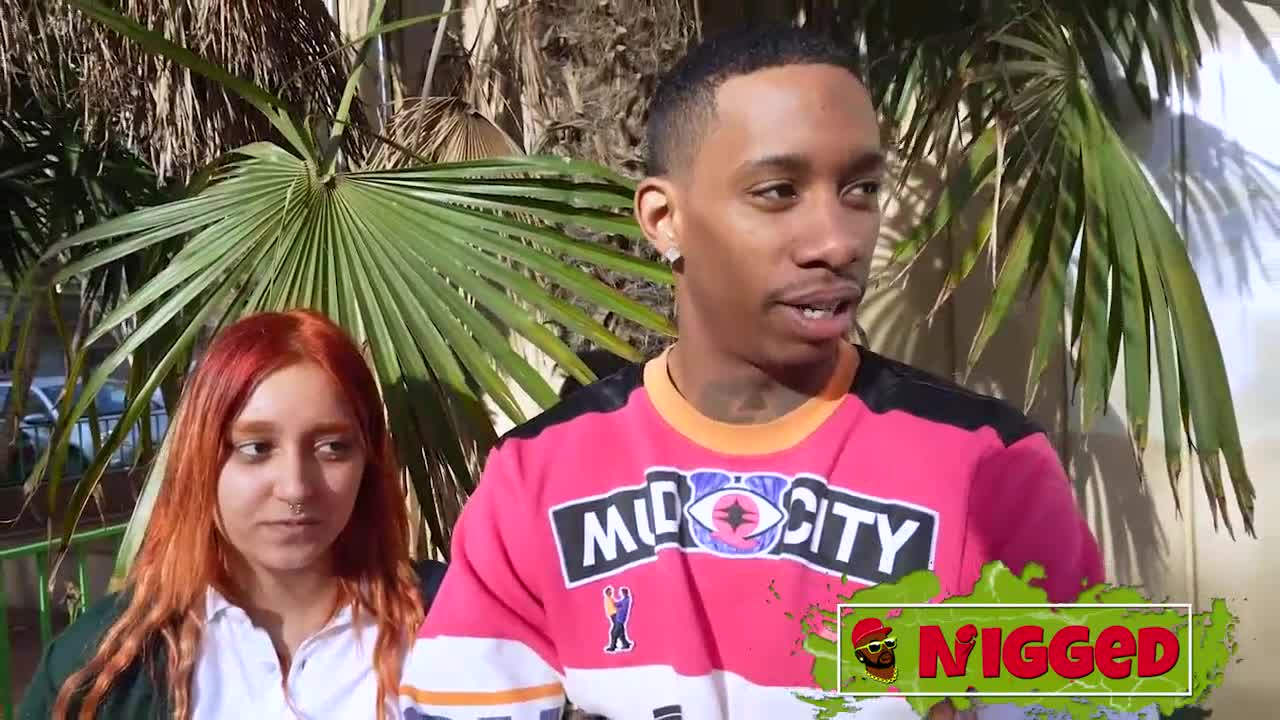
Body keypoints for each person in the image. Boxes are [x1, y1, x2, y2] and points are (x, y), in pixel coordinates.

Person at [397, 26, 1104, 720]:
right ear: (664, 218)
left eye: (861, 189)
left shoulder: (991, 467)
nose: (837, 242)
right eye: (777, 191)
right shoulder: (537, 476)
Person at [20, 309, 443, 720]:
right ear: (200, 457)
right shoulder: (98, 669)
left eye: (332, 447)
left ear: (368, 462)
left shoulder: (450, 621)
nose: (295, 488)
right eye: (256, 448)